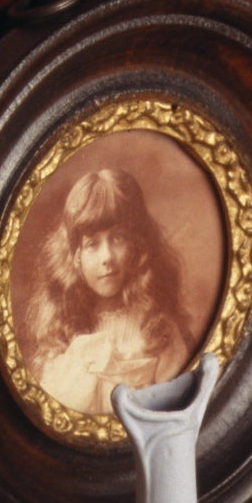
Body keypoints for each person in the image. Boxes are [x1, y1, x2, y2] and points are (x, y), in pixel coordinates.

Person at [26, 166, 195, 416]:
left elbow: (174, 412)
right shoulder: (63, 333)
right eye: (92, 244)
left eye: (118, 239)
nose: (107, 257)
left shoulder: (157, 329)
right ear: (76, 257)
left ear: (137, 246)